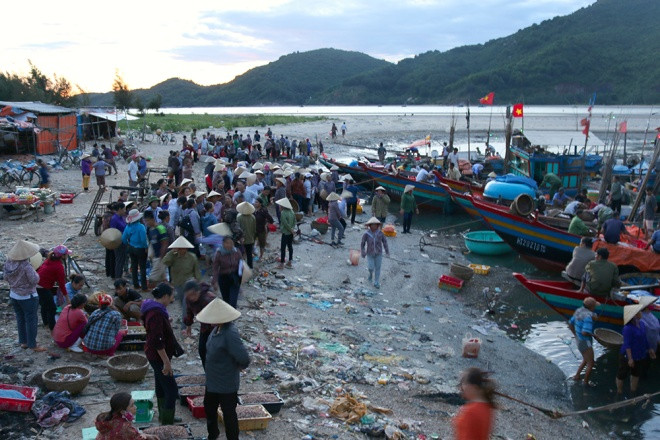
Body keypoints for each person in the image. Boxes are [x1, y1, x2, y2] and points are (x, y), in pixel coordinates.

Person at [197, 299, 250, 440]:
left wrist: (238, 366)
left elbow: (244, 358)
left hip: (226, 382)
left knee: (229, 414)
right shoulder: (216, 329)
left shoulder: (230, 332)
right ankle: (213, 435)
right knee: (209, 407)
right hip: (213, 381)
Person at [141, 284, 181, 425]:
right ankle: (167, 423)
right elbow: (157, 341)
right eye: (171, 296)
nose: (172, 299)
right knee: (171, 389)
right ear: (164, 296)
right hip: (157, 356)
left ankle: (163, 415)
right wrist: (166, 362)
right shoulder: (156, 313)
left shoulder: (152, 307)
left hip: (154, 354)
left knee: (161, 384)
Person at [4, 240, 47, 352]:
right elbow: (35, 280)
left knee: (20, 318)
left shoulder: (8, 262)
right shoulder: (25, 265)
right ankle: (32, 344)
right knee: (31, 320)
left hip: (14, 294)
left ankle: (23, 342)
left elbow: (5, 277)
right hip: (28, 296)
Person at [617, 297, 656, 396]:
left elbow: (644, 338)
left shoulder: (642, 324)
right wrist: (630, 359)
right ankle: (619, 391)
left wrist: (650, 349)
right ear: (634, 315)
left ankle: (633, 391)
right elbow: (627, 344)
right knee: (622, 374)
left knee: (636, 373)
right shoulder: (628, 328)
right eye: (639, 312)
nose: (641, 313)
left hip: (639, 353)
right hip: (628, 355)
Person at [162, 237, 201, 324]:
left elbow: (197, 271)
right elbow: (165, 261)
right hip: (177, 283)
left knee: (185, 304)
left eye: (182, 248)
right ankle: (186, 318)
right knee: (181, 301)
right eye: (179, 248)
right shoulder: (173, 257)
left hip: (189, 285)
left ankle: (185, 324)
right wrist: (172, 252)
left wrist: (198, 282)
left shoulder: (192, 257)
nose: (181, 250)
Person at [453, 367, 496, 440]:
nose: (461, 388)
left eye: (464, 383)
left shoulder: (471, 411)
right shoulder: (487, 407)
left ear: (473, 387)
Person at [183, 280, 215, 369]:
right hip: (204, 327)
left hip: (215, 326)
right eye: (188, 296)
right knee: (202, 350)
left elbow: (218, 314)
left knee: (215, 350)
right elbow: (189, 312)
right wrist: (188, 325)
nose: (191, 298)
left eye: (192, 295)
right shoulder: (189, 299)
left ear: (198, 292)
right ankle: (208, 373)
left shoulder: (208, 299)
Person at [37, 245, 71, 330]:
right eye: (67, 254)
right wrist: (67, 298)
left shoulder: (49, 260)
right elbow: (62, 284)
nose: (67, 256)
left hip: (37, 285)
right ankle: (53, 328)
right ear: (62, 256)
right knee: (52, 308)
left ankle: (46, 323)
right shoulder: (59, 267)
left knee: (44, 305)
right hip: (42, 287)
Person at [568, 297, 600, 385]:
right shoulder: (588, 318)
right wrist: (594, 335)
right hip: (585, 342)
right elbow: (585, 332)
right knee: (591, 363)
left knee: (585, 360)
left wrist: (575, 335)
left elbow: (570, 324)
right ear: (592, 307)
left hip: (579, 340)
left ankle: (577, 376)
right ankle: (585, 382)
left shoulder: (578, 311)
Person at [212, 236, 243, 308]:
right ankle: (228, 317)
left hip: (235, 277)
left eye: (231, 243)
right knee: (226, 300)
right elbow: (215, 268)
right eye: (227, 243)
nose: (229, 245)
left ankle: (233, 315)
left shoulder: (236, 251)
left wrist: (241, 276)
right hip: (223, 278)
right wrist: (215, 281)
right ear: (223, 243)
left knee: (233, 301)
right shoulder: (219, 253)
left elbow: (241, 262)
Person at [122, 209, 149, 291]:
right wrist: (146, 247)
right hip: (140, 248)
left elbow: (123, 239)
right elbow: (143, 240)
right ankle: (144, 287)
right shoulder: (141, 227)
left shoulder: (128, 227)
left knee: (134, 266)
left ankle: (135, 284)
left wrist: (128, 244)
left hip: (131, 247)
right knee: (142, 268)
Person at [360, 217, 390, 289]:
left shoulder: (380, 233)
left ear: (377, 225)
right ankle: (370, 274)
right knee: (371, 267)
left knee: (378, 268)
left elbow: (385, 242)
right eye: (372, 225)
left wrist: (387, 252)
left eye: (375, 225)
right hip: (370, 253)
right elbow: (362, 243)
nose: (374, 226)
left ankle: (376, 281)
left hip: (378, 253)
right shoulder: (366, 234)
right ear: (369, 226)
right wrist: (363, 251)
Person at [144, 210, 169, 285]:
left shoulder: (161, 228)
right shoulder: (149, 229)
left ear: (152, 219)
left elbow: (165, 243)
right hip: (155, 257)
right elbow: (150, 242)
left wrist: (161, 257)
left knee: (152, 279)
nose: (147, 223)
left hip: (160, 257)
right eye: (145, 221)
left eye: (148, 220)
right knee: (163, 278)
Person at [236, 202, 257, 268]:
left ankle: (241, 268)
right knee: (249, 254)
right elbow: (254, 229)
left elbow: (237, 228)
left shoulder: (239, 217)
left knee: (241, 254)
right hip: (250, 238)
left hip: (241, 239)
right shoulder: (252, 217)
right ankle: (250, 267)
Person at [277, 198, 295, 269]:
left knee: (283, 248)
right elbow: (294, 221)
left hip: (285, 232)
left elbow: (285, 223)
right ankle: (290, 261)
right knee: (290, 246)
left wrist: (290, 230)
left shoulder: (283, 213)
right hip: (290, 232)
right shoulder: (292, 212)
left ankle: (282, 263)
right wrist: (292, 229)